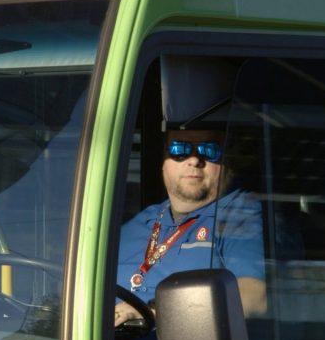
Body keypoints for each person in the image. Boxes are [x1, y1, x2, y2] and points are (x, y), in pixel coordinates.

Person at [114, 127, 267, 327]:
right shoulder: (142, 221)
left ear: (229, 164)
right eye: (179, 149)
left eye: (209, 150)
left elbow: (255, 297)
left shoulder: (240, 213)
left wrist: (153, 311)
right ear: (163, 162)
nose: (194, 160)